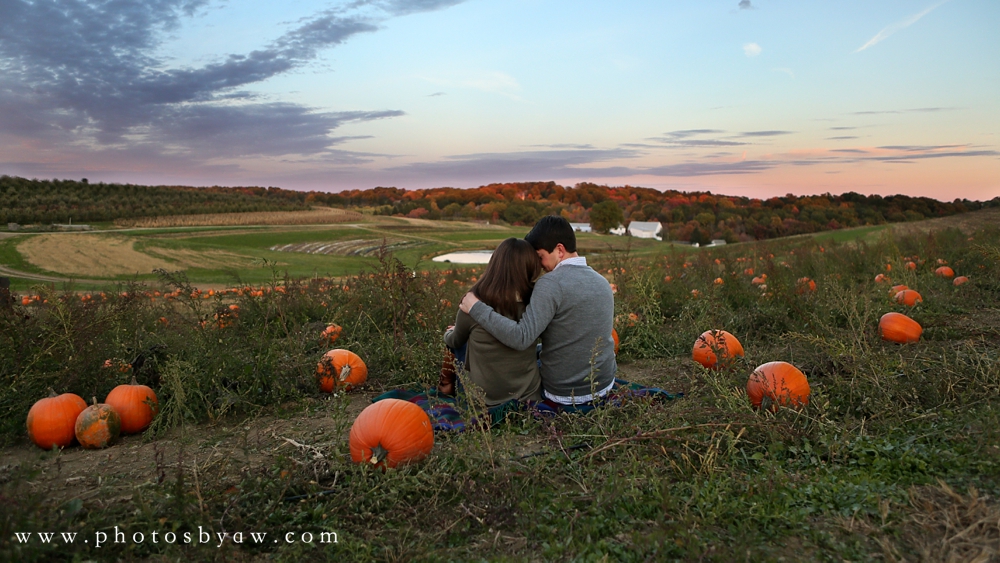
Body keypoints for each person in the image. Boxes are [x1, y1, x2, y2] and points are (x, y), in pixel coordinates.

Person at [459, 216, 616, 406]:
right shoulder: (602, 282)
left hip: (563, 392)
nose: (540, 265)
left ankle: (453, 387)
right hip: (604, 385)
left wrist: (476, 308)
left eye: (540, 257)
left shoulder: (550, 283)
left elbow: (521, 338)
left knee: (470, 347)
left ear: (559, 249)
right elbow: (574, 338)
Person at [441, 238, 543, 406]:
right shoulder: (535, 305)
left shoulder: (473, 304)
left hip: (483, 399)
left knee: (458, 340)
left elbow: (454, 342)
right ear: (531, 268)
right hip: (527, 396)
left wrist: (450, 332)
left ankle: (446, 385)